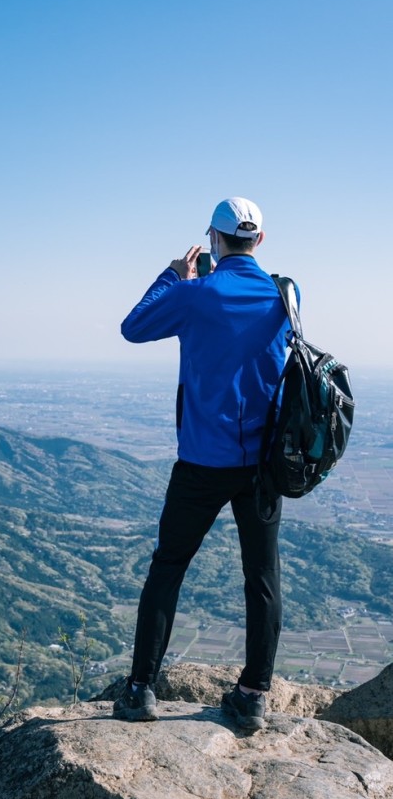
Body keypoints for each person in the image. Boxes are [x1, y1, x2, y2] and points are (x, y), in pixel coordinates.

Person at [113, 196, 294, 732]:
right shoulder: (287, 293)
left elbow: (133, 327)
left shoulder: (194, 295)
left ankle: (141, 689)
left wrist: (173, 275)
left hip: (200, 463)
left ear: (212, 240)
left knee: (168, 568)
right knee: (262, 575)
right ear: (259, 241)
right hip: (263, 464)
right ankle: (253, 694)